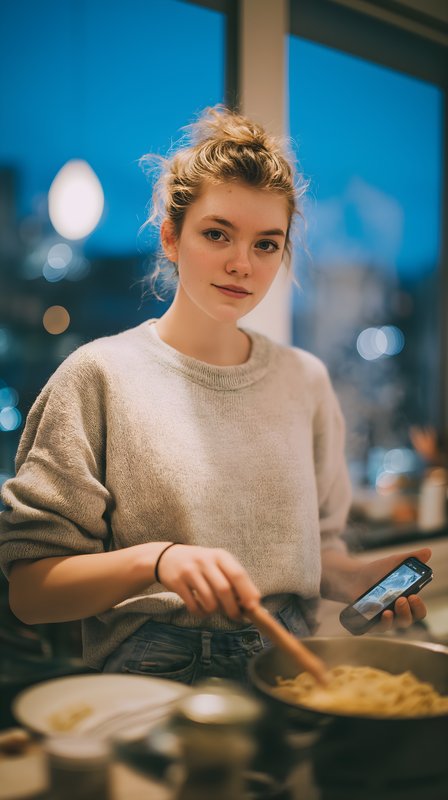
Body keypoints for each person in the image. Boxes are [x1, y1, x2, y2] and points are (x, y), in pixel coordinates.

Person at [0, 106, 430, 684]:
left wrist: (353, 579)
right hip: (149, 676)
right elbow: (31, 592)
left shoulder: (304, 381)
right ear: (171, 238)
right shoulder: (98, 376)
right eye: (217, 234)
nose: (241, 264)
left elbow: (313, 552)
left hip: (290, 666)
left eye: (266, 244)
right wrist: (157, 561)